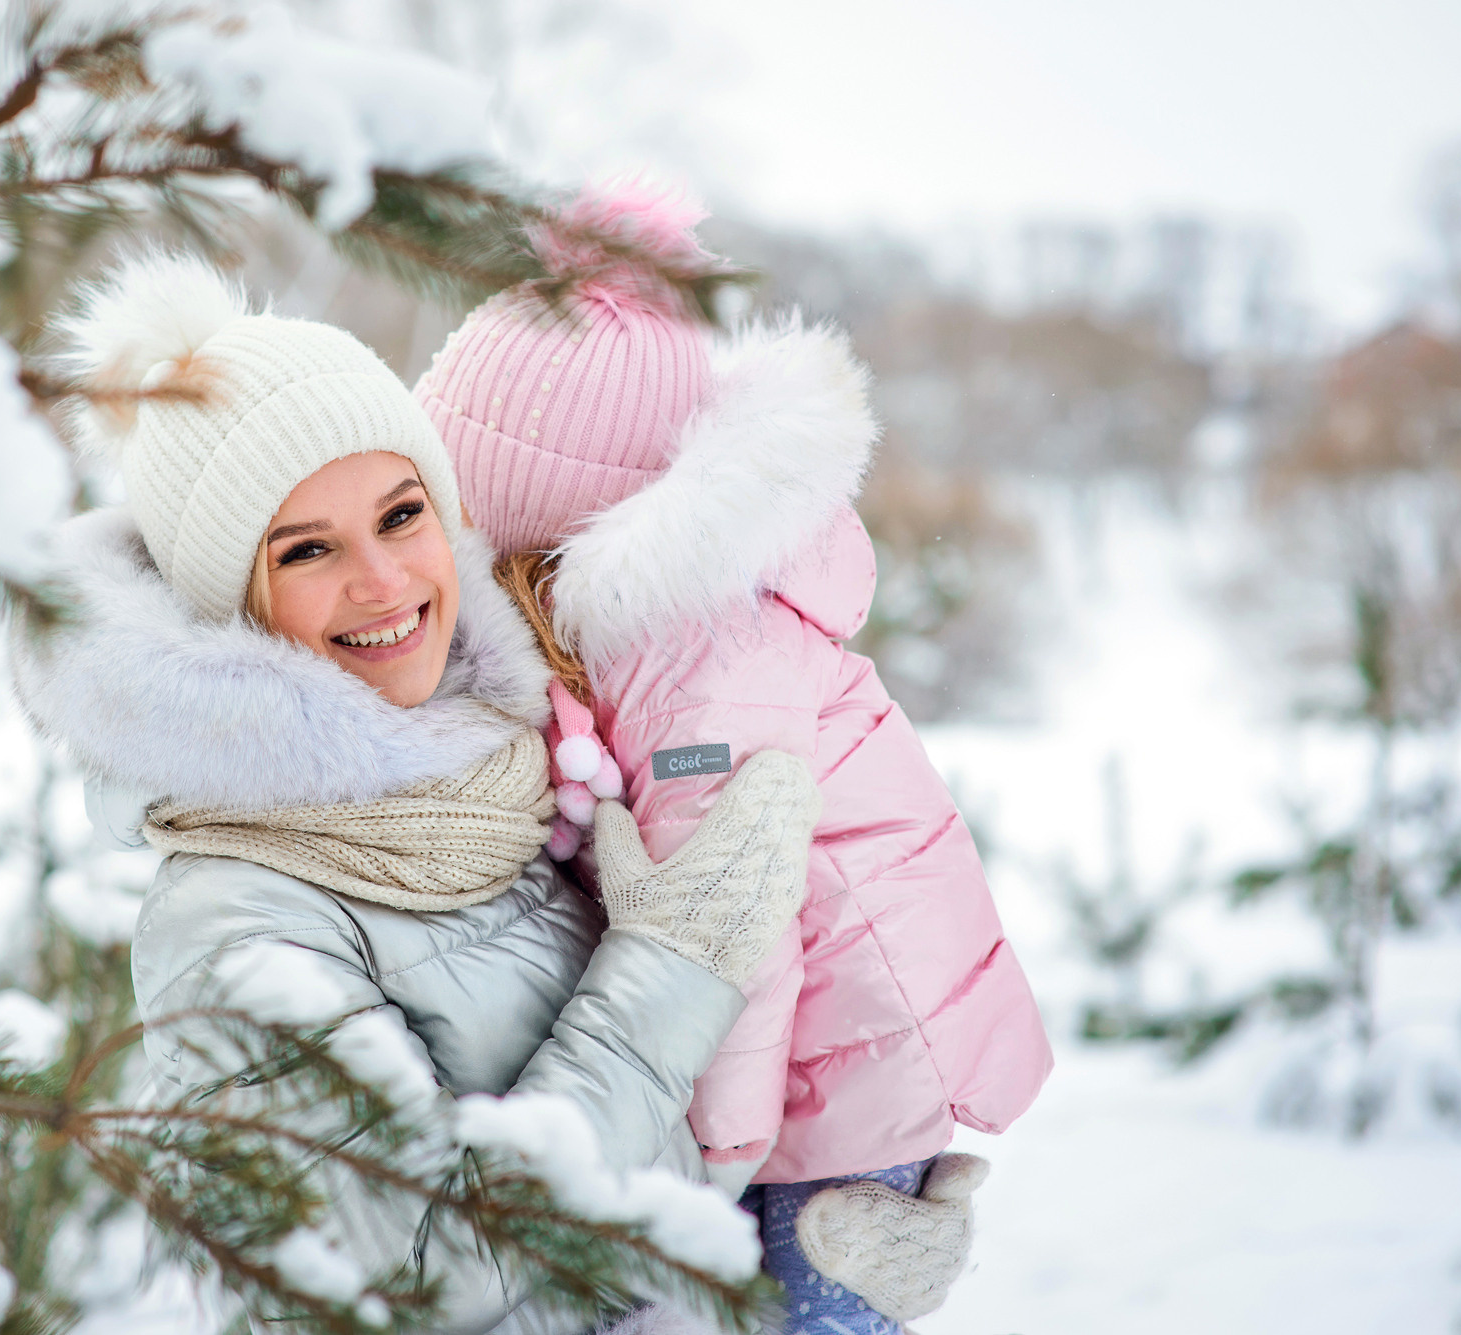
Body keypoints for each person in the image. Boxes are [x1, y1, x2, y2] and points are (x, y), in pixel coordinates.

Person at [12, 251, 820, 1334]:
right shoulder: (233, 923)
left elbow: (641, 1154)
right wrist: (670, 969)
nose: (385, 581)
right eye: (307, 550)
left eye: (400, 516)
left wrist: (820, 1244)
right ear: (229, 605)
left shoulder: (497, 783)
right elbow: (422, 1279)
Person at [414, 182, 1054, 1334]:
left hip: (839, 1090)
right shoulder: (673, 623)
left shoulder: (691, 657)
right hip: (837, 1061)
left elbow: (733, 931)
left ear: (536, 509)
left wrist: (705, 1161)